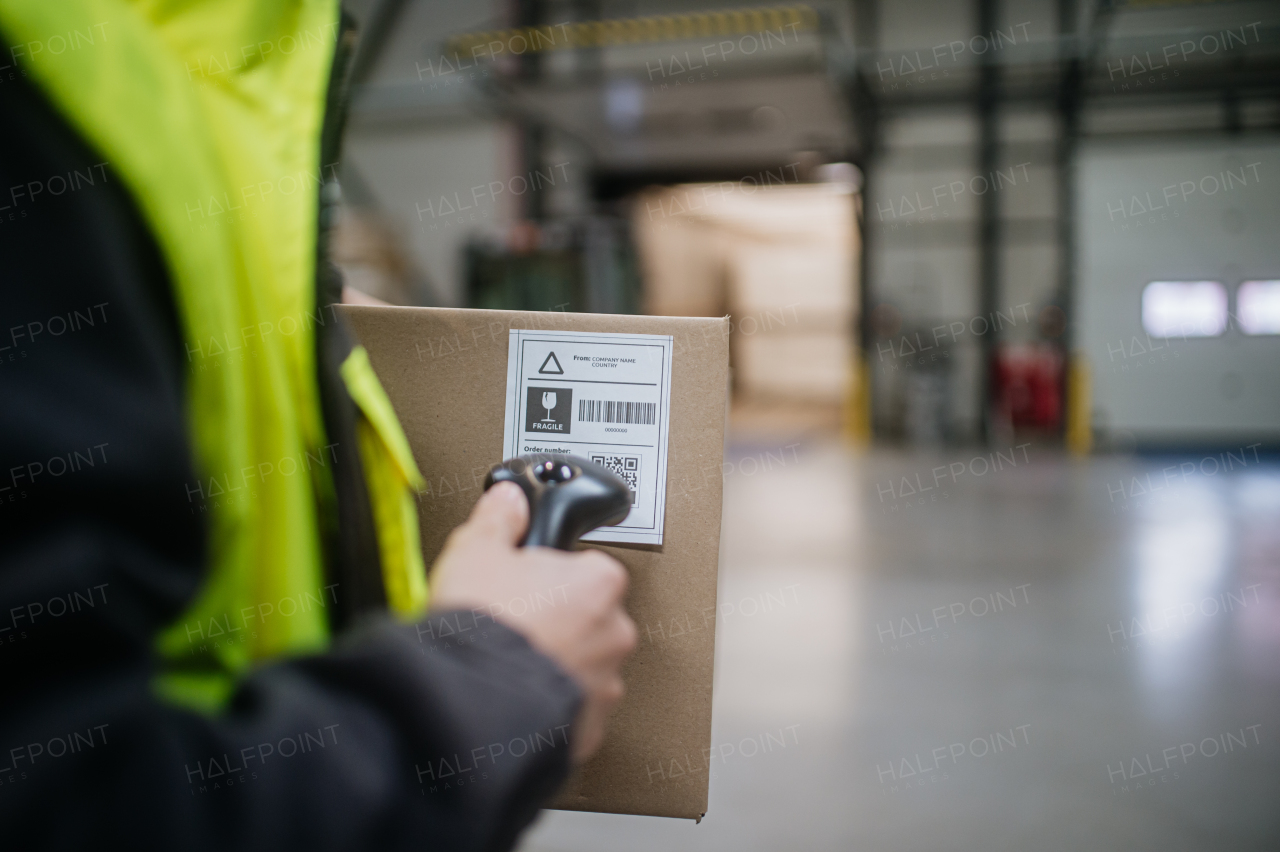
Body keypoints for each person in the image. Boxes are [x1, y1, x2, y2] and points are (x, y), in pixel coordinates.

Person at [0, 2, 636, 849]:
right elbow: (65, 803)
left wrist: (305, 317)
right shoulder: (49, 61)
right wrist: (484, 692)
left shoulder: (197, 53)